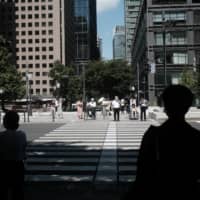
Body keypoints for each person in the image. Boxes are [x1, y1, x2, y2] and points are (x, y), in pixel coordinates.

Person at [125, 85, 200, 200]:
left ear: (165, 106)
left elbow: (143, 174)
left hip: (158, 191)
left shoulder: (153, 136)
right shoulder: (195, 137)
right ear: (188, 106)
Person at [0, 111, 27, 200]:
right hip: (18, 165)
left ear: (5, 123)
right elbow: (23, 150)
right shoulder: (22, 135)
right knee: (18, 191)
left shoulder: (1, 136)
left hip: (4, 166)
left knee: (3, 190)